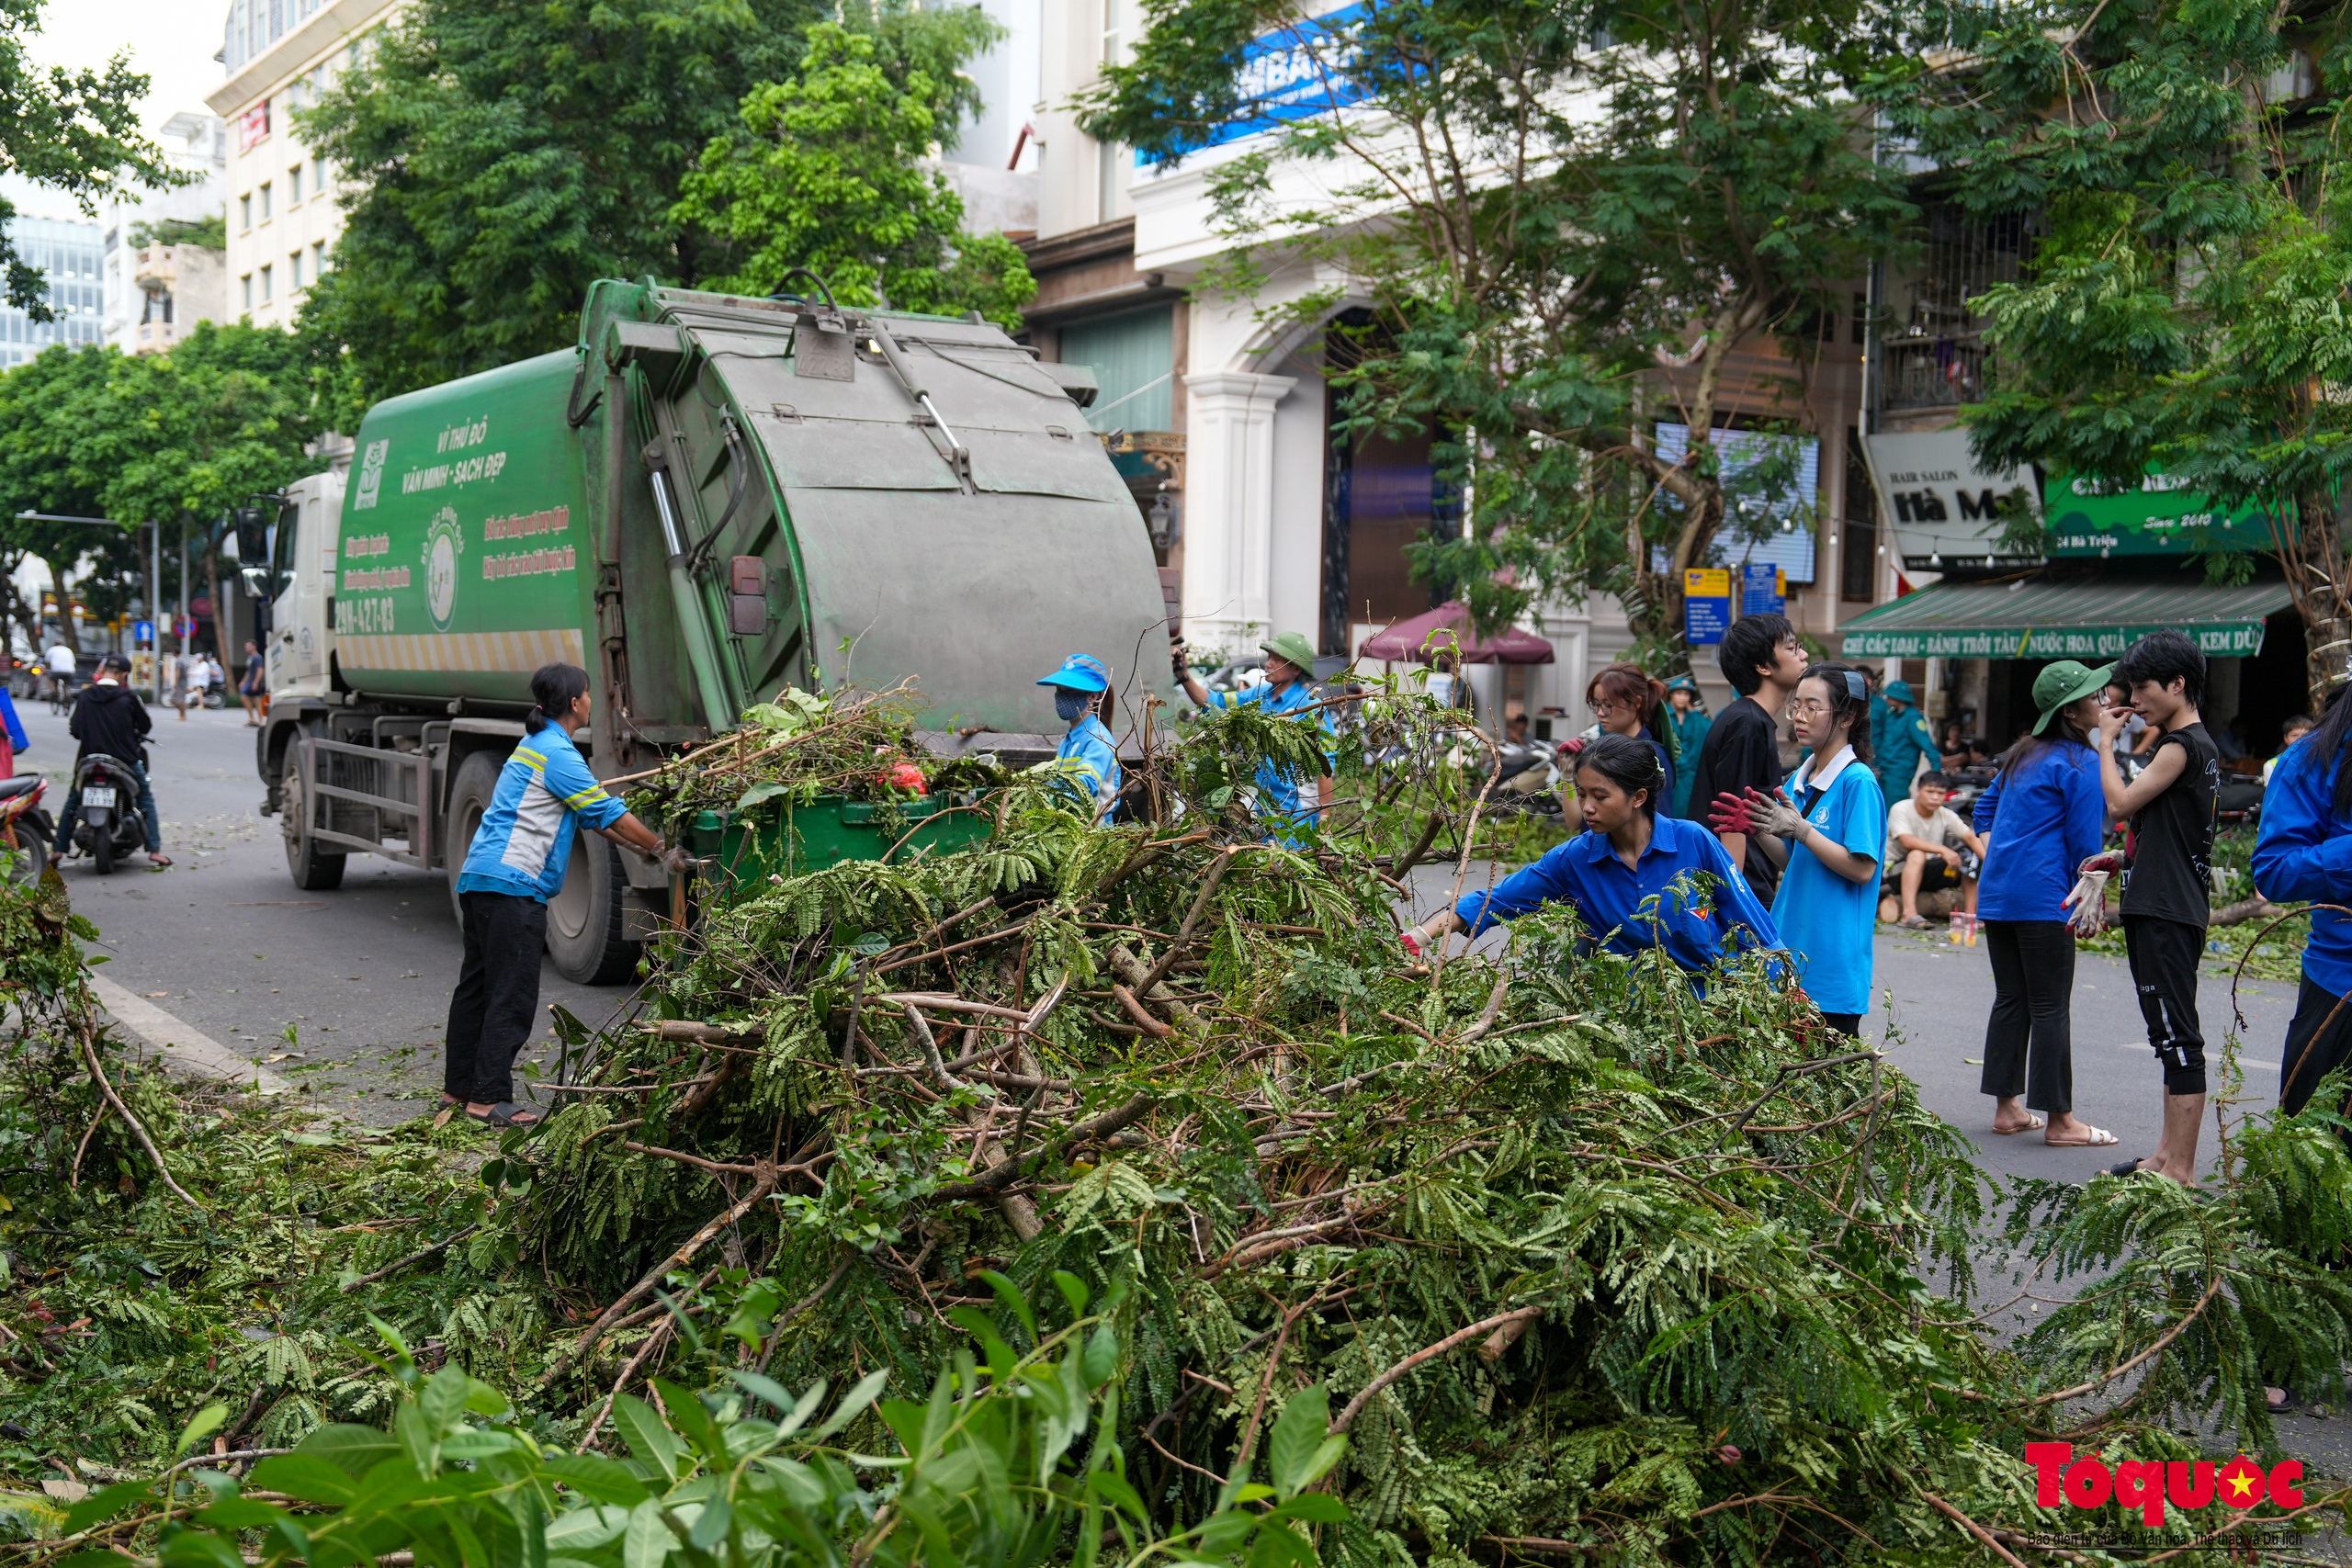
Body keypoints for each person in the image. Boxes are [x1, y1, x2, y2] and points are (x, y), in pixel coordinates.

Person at [446, 663, 684, 1127]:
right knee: (510, 996)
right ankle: (488, 1097)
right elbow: (609, 811)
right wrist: (659, 847)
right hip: (514, 886)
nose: (592, 701)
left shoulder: (534, 746)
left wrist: (643, 851)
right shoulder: (559, 753)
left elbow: (594, 818)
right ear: (575, 703)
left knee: (475, 989)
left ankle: (457, 1093)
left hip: (480, 879)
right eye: (589, 694)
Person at [1401, 733, 1782, 977]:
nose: (1587, 807)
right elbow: (1495, 901)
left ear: (1638, 798)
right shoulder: (1574, 860)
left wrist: (1788, 994)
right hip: (1624, 1026)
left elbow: (1750, 923)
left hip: (1710, 1016)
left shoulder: (1694, 842)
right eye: (1582, 795)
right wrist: (1420, 936)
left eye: (1600, 796)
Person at [2089, 630, 2219, 1184]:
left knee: (2176, 1035)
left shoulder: (2178, 747)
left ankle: (2181, 1168)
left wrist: (2103, 744)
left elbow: (2119, 802)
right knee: (2166, 1033)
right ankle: (2164, 1155)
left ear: (2178, 684)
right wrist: (2123, 857)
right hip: (2168, 902)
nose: (2134, 699)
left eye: (2143, 688)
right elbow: (2175, 831)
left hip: (2166, 909)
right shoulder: (2199, 748)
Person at [1970, 660, 2113, 1147]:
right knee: (2051, 1006)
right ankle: (2061, 1122)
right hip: (2044, 897)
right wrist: (2089, 896)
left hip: (1999, 894)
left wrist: (2004, 853)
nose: (2104, 701)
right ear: (2071, 712)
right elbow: (2083, 845)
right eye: (2095, 696)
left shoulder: (2022, 754)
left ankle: (2008, 1110)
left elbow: (1983, 810)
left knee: (2011, 998)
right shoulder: (2083, 763)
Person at [1714, 663, 1884, 1037]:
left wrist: (1803, 831)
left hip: (1831, 965)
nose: (1800, 717)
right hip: (1791, 952)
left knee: (1830, 1085)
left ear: (1848, 716)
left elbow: (1862, 870)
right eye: (1796, 706)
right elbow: (1792, 860)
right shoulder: (1800, 779)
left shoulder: (1858, 782)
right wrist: (1758, 830)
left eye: (1813, 707)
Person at [1172, 631, 1334, 839]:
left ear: (1295, 668)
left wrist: (1324, 819)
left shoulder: (1309, 706)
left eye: (1277, 659)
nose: (1268, 663)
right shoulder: (1259, 695)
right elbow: (1214, 703)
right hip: (1264, 808)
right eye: (1269, 658)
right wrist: (1183, 674)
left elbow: (1325, 766)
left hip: (1298, 810)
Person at [1688, 612, 1803, 901]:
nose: (1804, 655)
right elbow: (1732, 818)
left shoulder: (1750, 719)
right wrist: (1734, 901)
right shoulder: (1748, 723)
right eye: (1792, 648)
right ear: (1764, 666)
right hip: (1742, 887)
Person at [51, 652, 170, 869]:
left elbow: (76, 730)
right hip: (125, 760)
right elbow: (145, 726)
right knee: (145, 798)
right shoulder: (129, 698)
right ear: (124, 675)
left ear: (103, 670)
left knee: (72, 802)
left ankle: (58, 850)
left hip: (88, 760)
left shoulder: (85, 696)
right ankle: (154, 850)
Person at [1569, 664, 1676, 825]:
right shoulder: (1599, 750)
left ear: (1636, 703)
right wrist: (1567, 774)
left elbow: (1659, 824)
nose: (1600, 712)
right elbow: (1575, 823)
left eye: (1607, 705)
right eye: (1596, 704)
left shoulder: (1653, 756)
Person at [1881, 771, 1983, 929]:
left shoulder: (1945, 814)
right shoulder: (1901, 809)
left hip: (1930, 870)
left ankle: (1970, 917)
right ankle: (1909, 914)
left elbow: (1969, 837)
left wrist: (1991, 862)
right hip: (1897, 873)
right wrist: (1943, 849)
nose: (1935, 797)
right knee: (1917, 854)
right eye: (1930, 792)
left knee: (1969, 857)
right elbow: (1907, 840)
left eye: (1940, 793)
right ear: (1918, 791)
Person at [1037, 653, 1121, 822]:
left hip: (1094, 835)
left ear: (1093, 696)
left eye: (1070, 690)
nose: (1062, 696)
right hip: (1070, 829)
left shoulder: (1098, 739)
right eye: (1060, 690)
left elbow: (1084, 787)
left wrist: (1046, 802)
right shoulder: (1069, 739)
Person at [1875, 680, 1939, 805]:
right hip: (1883, 770)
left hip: (1899, 773)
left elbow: (1927, 745)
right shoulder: (1891, 715)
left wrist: (1936, 773)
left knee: (1893, 809)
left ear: (1898, 698)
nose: (1886, 698)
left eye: (1889, 695)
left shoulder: (1913, 717)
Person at [1665, 676, 1712, 818]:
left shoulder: (1695, 718)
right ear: (1671, 695)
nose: (1683, 698)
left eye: (1686, 694)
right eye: (1679, 693)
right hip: (1669, 774)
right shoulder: (1663, 715)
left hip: (1690, 776)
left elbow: (1712, 729)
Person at [2264, 715, 2314, 785]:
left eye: (2304, 735)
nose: (2299, 740)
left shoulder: (2322, 762)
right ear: (2285, 738)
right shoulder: (2271, 766)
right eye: (2294, 735)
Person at [238, 640, 266, 726]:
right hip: (250, 681)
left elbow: (260, 670)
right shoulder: (250, 658)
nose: (246, 647)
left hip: (254, 682)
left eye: (248, 645)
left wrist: (256, 682)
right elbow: (248, 672)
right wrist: (243, 682)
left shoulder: (258, 657)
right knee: (256, 699)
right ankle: (256, 720)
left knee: (244, 697)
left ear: (253, 647)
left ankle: (254, 719)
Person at [45, 641, 75, 713]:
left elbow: (47, 662)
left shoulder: (51, 649)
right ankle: (68, 692)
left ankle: (53, 691)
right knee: (67, 685)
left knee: (50, 679)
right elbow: (74, 662)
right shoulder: (68, 650)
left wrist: (47, 669)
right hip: (69, 671)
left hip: (56, 671)